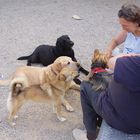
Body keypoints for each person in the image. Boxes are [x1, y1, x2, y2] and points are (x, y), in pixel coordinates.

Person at [72, 4, 140, 140]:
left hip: (124, 94)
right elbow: (115, 41)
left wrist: (115, 59)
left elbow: (114, 63)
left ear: (137, 23)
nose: (123, 28)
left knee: (86, 86)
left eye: (125, 25)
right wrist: (109, 51)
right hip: (124, 71)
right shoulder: (130, 31)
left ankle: (90, 133)